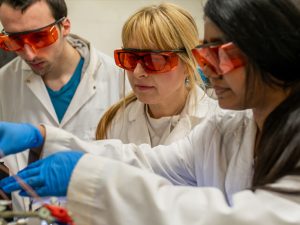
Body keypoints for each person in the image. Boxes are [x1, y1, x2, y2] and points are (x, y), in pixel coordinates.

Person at [1, 0, 300, 224]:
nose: (208, 70)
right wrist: (44, 138)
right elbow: (148, 162)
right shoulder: (226, 130)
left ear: (269, 51)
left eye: (220, 53)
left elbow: (220, 216)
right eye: (204, 54)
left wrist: (88, 178)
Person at [0, 0, 125, 210]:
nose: (29, 54)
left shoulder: (120, 79)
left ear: (65, 26)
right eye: (14, 41)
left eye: (39, 37)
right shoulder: (4, 83)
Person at [96, 3, 216, 146]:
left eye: (154, 60)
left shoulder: (218, 122)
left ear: (189, 62)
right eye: (131, 58)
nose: (137, 72)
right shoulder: (114, 123)